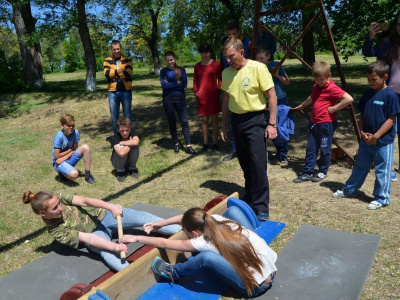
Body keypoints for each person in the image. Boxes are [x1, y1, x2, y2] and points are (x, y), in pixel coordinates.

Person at [120, 207, 277, 298]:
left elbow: (164, 243)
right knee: (233, 210)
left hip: (255, 286)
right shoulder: (215, 219)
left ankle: (172, 272)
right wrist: (160, 224)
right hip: (270, 269)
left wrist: (135, 237)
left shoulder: (202, 242)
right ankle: (255, 239)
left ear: (195, 233)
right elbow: (187, 217)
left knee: (206, 258)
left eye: (186, 232)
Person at [22, 190, 181, 271]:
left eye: (59, 204)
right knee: (107, 253)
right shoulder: (57, 232)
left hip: (103, 216)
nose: (60, 208)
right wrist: (114, 246)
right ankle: (138, 272)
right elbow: (89, 239)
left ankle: (188, 234)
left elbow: (85, 200)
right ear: (42, 213)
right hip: (94, 235)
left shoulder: (59, 196)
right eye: (55, 208)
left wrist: (110, 206)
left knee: (144, 217)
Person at [221, 38, 278, 221]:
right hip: (237, 120)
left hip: (256, 119)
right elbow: (226, 100)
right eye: (226, 57)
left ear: (242, 52)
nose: (229, 60)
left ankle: (262, 206)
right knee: (245, 162)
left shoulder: (258, 68)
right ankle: (251, 194)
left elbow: (272, 95)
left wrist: (272, 123)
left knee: (258, 163)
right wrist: (224, 124)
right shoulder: (226, 73)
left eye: (232, 56)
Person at [332, 61, 400, 209]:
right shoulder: (368, 94)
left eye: (374, 79)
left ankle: (381, 198)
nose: (370, 82)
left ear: (385, 77)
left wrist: (376, 136)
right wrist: (362, 132)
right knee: (360, 166)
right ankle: (350, 190)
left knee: (382, 170)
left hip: (383, 142)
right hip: (366, 141)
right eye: (368, 78)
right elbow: (361, 115)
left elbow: (391, 119)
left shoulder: (390, 96)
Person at [293, 62, 353, 183]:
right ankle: (307, 171)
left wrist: (335, 108)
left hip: (326, 123)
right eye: (316, 79)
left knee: (325, 148)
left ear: (328, 75)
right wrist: (302, 105)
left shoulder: (332, 88)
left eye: (322, 79)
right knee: (311, 148)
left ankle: (322, 171)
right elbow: (312, 97)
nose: (319, 81)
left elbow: (349, 99)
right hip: (315, 122)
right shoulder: (316, 87)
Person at [362, 14, 400, 180]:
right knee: (387, 130)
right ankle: (388, 166)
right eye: (399, 24)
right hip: (389, 95)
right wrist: (371, 36)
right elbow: (367, 51)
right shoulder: (388, 43)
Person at [220, 21, 251, 162]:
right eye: (229, 34)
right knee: (232, 116)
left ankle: (250, 148)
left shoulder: (248, 43)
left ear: (239, 32)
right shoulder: (225, 46)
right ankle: (234, 148)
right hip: (230, 81)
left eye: (234, 34)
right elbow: (223, 63)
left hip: (245, 82)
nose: (231, 36)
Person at [256, 46, 290, 164]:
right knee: (268, 126)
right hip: (263, 100)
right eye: (258, 59)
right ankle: (277, 151)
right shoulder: (256, 68)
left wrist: (276, 74)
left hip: (279, 99)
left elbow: (287, 81)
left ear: (268, 56)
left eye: (262, 58)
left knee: (280, 126)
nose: (260, 61)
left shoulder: (276, 65)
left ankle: (283, 152)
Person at [160, 51, 196, 155]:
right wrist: (176, 82)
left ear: (175, 59)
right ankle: (176, 143)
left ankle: (188, 145)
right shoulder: (163, 71)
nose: (170, 62)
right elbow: (164, 85)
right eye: (167, 60)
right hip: (168, 99)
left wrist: (170, 83)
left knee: (184, 121)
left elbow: (184, 84)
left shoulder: (181, 70)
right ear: (165, 61)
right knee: (172, 122)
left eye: (171, 60)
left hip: (180, 98)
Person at [193, 43, 222, 151]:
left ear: (210, 52)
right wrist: (197, 92)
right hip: (202, 96)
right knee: (204, 119)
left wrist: (219, 89)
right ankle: (205, 143)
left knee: (214, 119)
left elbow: (221, 78)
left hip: (213, 95)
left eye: (206, 52)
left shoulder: (216, 64)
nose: (204, 55)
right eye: (202, 53)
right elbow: (195, 80)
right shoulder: (197, 66)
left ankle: (215, 142)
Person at [52, 114, 95, 184]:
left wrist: (68, 154)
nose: (71, 128)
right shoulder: (59, 137)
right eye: (68, 125)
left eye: (73, 125)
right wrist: (69, 151)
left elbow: (75, 149)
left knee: (86, 147)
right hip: (58, 162)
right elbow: (57, 156)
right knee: (74, 174)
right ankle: (62, 174)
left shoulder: (76, 133)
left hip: (67, 158)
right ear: (62, 125)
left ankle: (88, 175)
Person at [103, 40, 133, 135]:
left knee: (127, 116)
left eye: (118, 49)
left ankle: (129, 135)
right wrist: (120, 71)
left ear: (121, 48)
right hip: (113, 92)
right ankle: (117, 136)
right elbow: (107, 73)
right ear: (111, 49)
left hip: (126, 91)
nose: (116, 51)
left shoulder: (127, 59)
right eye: (114, 49)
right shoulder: (107, 60)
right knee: (114, 117)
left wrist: (114, 72)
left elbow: (129, 73)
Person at [107, 116, 140, 182]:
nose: (125, 133)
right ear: (118, 129)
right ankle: (120, 172)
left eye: (127, 130)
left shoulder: (133, 134)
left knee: (135, 147)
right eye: (122, 131)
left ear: (130, 128)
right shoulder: (114, 138)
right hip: (117, 162)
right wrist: (131, 143)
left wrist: (123, 142)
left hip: (128, 160)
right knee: (122, 148)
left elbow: (136, 142)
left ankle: (132, 169)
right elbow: (121, 153)